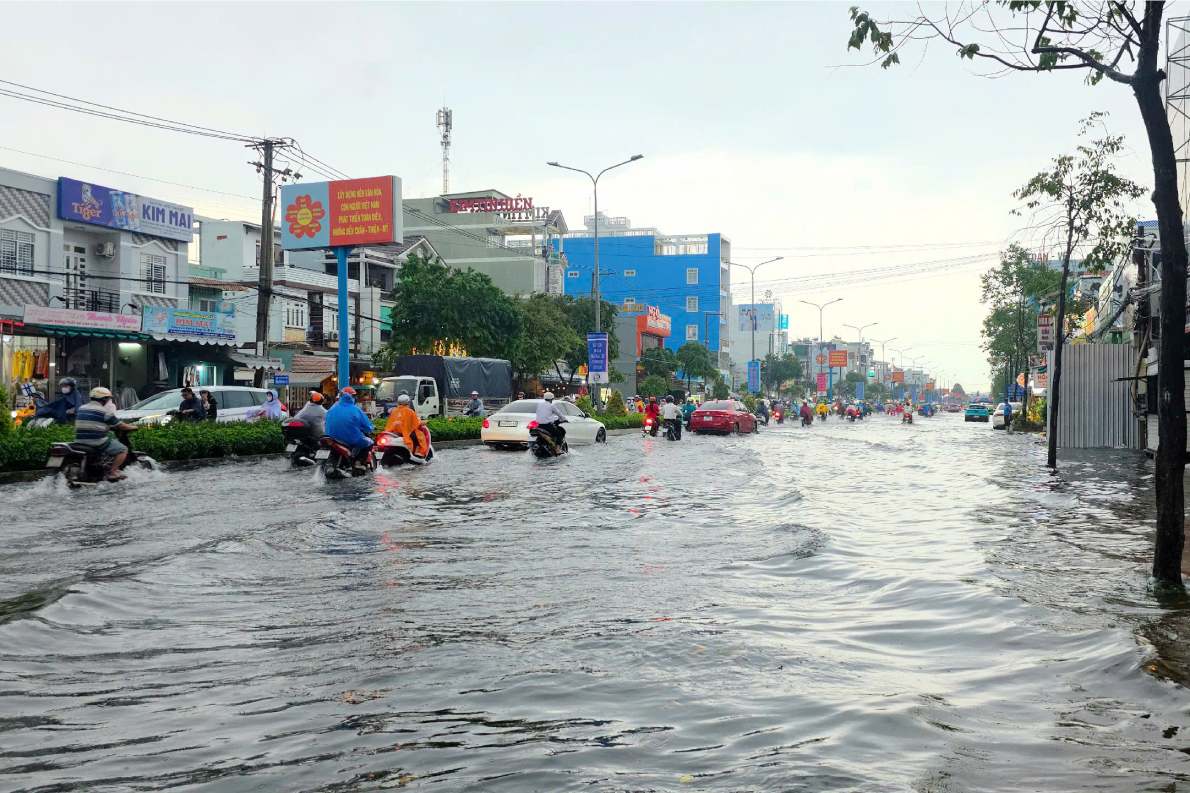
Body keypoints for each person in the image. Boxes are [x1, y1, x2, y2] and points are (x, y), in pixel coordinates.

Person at [73, 387, 138, 482]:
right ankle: (113, 472)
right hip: (96, 442)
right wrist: (134, 427)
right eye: (107, 398)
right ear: (104, 399)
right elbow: (121, 426)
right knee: (123, 449)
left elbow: (93, 422)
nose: (108, 400)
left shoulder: (81, 408)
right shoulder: (104, 411)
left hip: (79, 441)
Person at [325, 386, 374, 468]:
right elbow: (367, 426)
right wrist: (370, 428)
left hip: (331, 437)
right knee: (369, 443)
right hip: (350, 438)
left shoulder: (332, 408)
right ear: (353, 397)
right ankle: (358, 462)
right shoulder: (356, 410)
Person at [384, 393, 428, 459]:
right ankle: (420, 453)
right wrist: (422, 422)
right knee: (420, 436)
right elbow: (416, 423)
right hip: (406, 433)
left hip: (394, 432)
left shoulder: (394, 411)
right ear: (408, 403)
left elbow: (390, 422)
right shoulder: (410, 411)